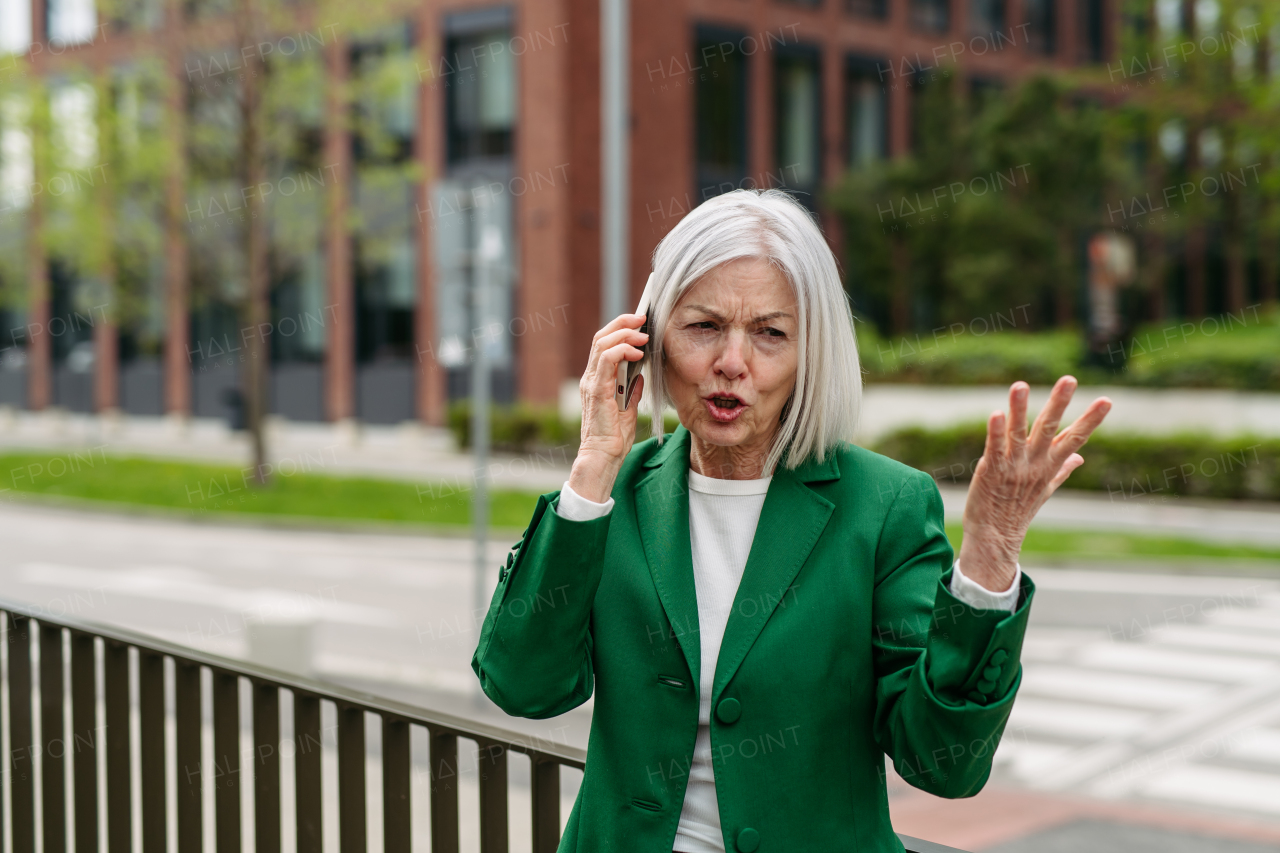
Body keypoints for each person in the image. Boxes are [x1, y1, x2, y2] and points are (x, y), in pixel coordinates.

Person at [472, 188, 1112, 853]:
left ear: (812, 354)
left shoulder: (883, 505)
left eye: (770, 333)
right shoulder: (613, 497)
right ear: (647, 342)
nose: (732, 362)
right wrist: (593, 464)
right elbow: (522, 685)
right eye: (704, 326)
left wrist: (988, 553)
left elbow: (941, 762)